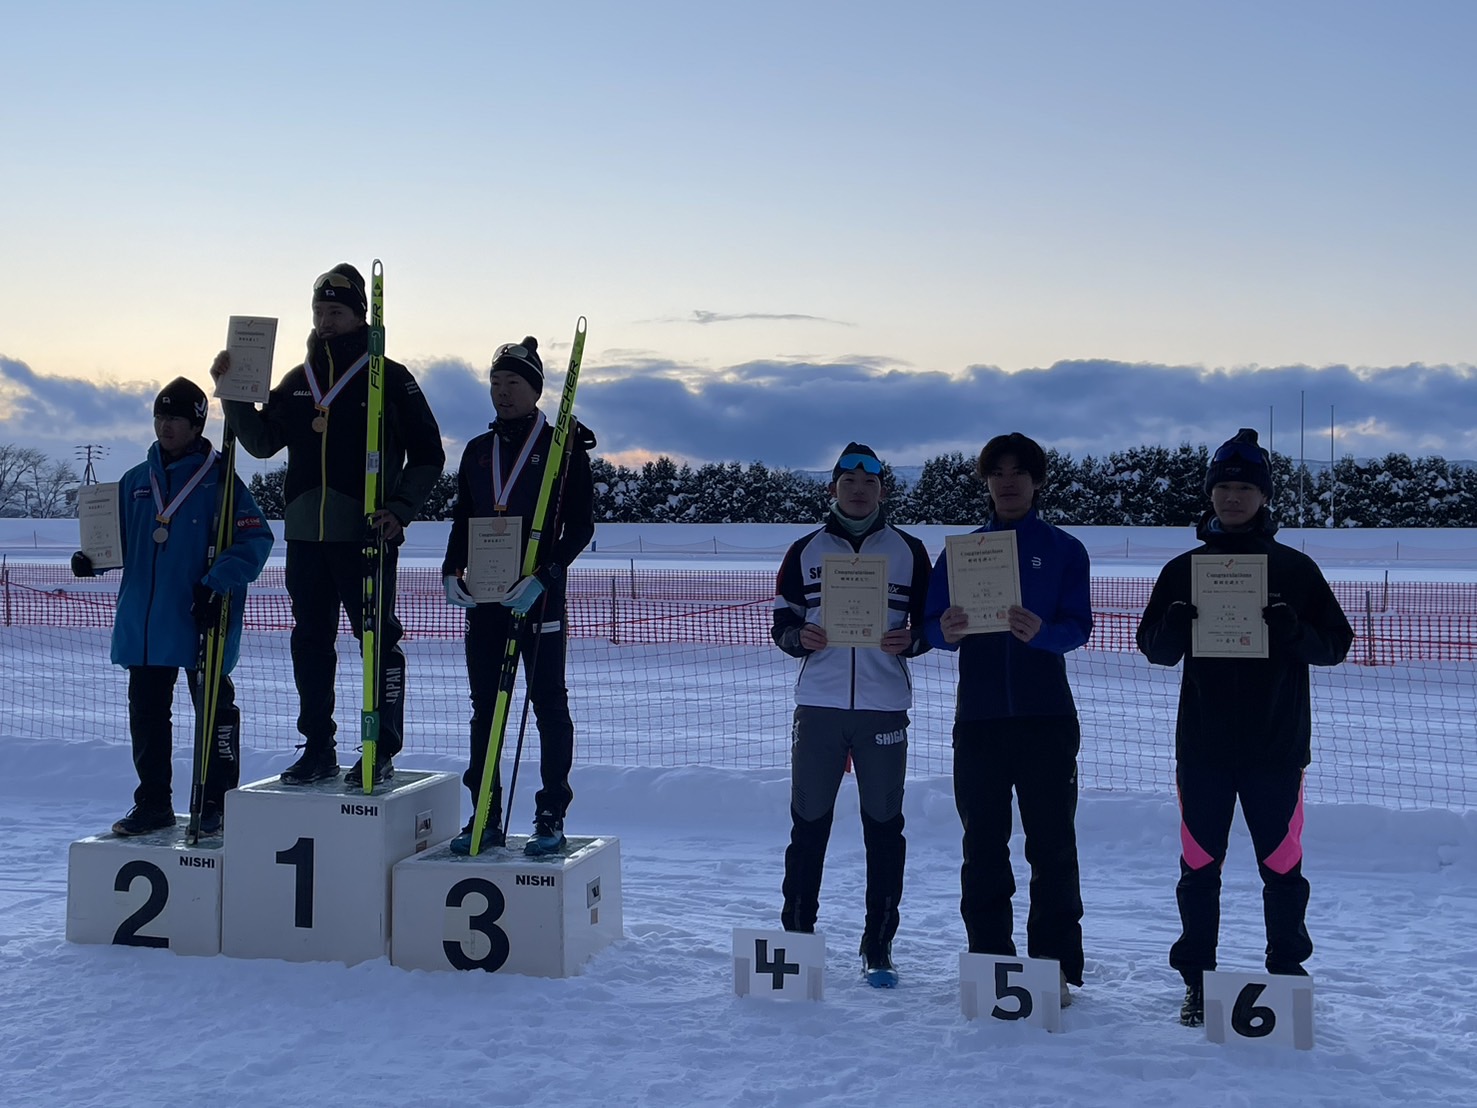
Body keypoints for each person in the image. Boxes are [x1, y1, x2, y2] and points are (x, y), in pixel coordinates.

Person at [1136, 428, 1352, 1028]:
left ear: (1262, 496)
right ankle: (1199, 982)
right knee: (1199, 869)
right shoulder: (1183, 570)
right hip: (1203, 750)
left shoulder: (1295, 569)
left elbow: (1336, 644)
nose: (1232, 498)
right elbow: (1152, 648)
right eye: (1224, 487)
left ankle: (1285, 973)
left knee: (1282, 869)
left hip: (1275, 749)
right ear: (1209, 494)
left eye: (1245, 488)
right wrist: (1176, 627)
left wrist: (1293, 634)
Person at [210, 263, 444, 787]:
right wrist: (232, 391)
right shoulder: (298, 381)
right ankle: (317, 747)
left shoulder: (390, 377)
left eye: (335, 311)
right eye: (318, 312)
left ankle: (379, 749)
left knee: (376, 641)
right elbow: (264, 442)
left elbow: (429, 454)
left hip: (362, 535)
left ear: (360, 314)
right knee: (310, 642)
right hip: (305, 539)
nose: (325, 321)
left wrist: (400, 509)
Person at [923, 432, 1092, 1005]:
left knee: (1052, 847)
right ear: (987, 481)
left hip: (1047, 719)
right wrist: (942, 634)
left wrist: (1045, 635)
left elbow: (1080, 625)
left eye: (1020, 471)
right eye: (998, 472)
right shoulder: (962, 552)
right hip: (980, 722)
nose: (1009, 481)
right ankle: (990, 962)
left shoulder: (1065, 549)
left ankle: (1056, 968)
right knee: (984, 847)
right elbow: (929, 626)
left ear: (1038, 480)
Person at [71, 378, 273, 836]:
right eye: (161, 417)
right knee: (147, 717)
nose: (166, 426)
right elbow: (113, 542)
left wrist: (217, 581)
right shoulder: (135, 482)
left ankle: (217, 802)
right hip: (145, 623)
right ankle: (153, 803)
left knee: (215, 712)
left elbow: (255, 538)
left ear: (197, 424)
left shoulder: (220, 480)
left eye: (176, 419)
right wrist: (91, 561)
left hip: (201, 617)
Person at [771, 443, 932, 988]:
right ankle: (797, 938)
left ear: (882, 489)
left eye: (869, 482)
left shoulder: (910, 550)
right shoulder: (804, 550)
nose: (859, 491)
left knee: (884, 829)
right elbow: (781, 623)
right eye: (848, 482)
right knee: (808, 823)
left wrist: (913, 641)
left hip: (883, 710)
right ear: (834, 488)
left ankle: (878, 943)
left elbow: (930, 625)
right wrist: (798, 637)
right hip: (818, 705)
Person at [441, 336, 595, 856]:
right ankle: (482, 812)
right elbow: (462, 518)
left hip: (539, 598)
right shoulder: (478, 452)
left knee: (548, 703)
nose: (502, 393)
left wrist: (545, 577)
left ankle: (551, 812)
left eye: (513, 384)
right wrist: (449, 570)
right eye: (495, 383)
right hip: (487, 597)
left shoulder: (562, 449)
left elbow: (580, 527)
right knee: (485, 708)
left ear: (535, 391)